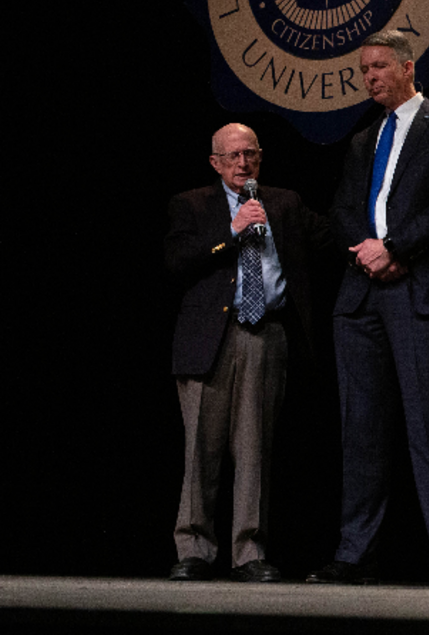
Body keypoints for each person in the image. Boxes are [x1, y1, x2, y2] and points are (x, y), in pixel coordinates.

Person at [307, 29, 429, 587]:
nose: (370, 77)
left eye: (379, 66)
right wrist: (366, 254)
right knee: (361, 430)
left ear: (408, 67)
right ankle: (354, 553)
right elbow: (341, 210)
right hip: (360, 299)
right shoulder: (362, 140)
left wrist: (398, 248)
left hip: (416, 290)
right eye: (364, 69)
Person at [165, 122, 329, 583]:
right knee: (202, 448)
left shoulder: (284, 202)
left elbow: (331, 236)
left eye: (250, 154)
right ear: (215, 163)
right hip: (210, 338)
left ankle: (248, 552)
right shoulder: (192, 204)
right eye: (233, 156)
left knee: (255, 448)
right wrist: (231, 231)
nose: (243, 163)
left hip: (265, 336)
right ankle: (194, 549)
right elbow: (177, 262)